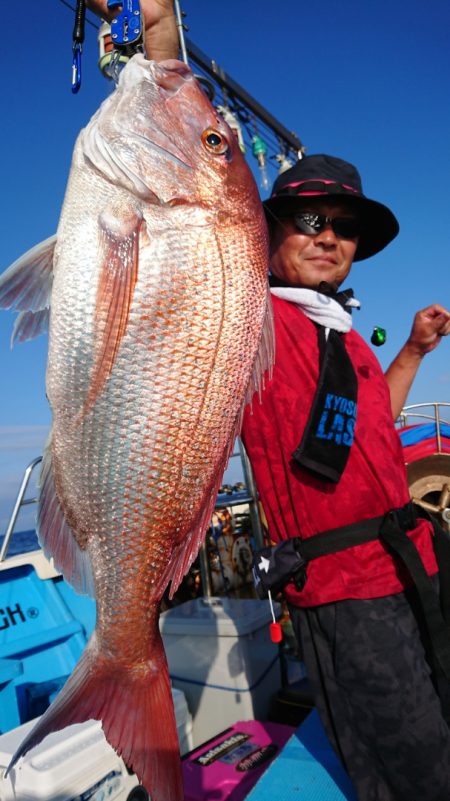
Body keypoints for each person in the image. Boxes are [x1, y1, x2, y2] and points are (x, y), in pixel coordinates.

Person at [85, 3, 450, 798]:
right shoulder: (248, 310)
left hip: (407, 564)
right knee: (415, 768)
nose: (330, 236)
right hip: (341, 594)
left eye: (347, 227)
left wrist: (415, 352)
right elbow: (183, 163)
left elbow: (372, 428)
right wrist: (156, 29)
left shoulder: (343, 332)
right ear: (267, 228)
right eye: (311, 218)